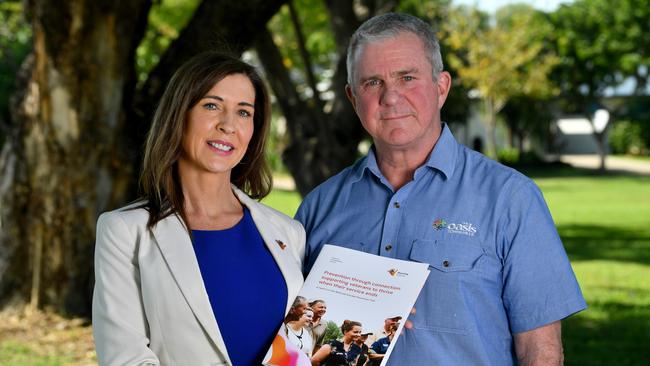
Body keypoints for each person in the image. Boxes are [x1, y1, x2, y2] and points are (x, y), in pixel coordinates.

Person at [295, 12, 587, 365]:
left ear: (441, 86)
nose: (391, 97)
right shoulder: (319, 207)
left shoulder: (511, 199)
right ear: (353, 97)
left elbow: (540, 352)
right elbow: (299, 341)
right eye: (372, 82)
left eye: (407, 77)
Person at [92, 52, 306, 366]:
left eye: (244, 112)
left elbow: (301, 347)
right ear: (179, 115)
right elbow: (126, 358)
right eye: (211, 105)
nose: (228, 125)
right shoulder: (124, 232)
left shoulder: (289, 232)